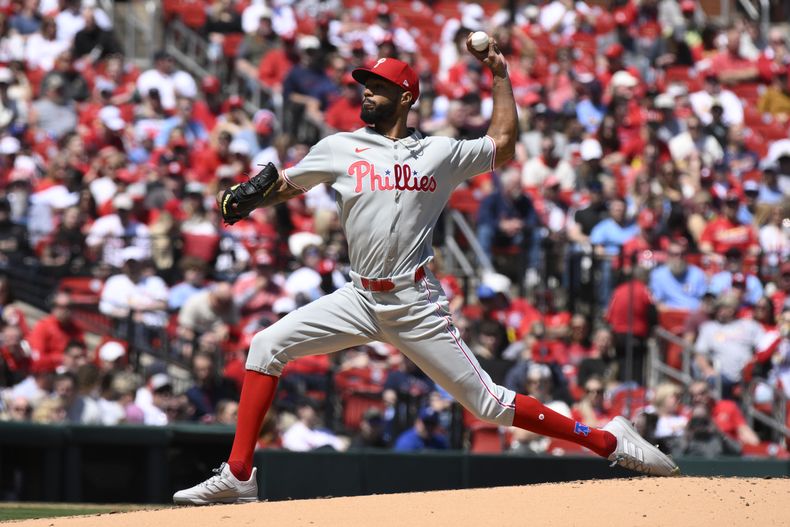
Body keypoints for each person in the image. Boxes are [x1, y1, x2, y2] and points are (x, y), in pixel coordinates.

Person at [174, 40, 678, 506]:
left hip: (414, 302)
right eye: (364, 86)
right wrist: (252, 199)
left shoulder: (439, 152)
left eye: (378, 87)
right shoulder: (339, 146)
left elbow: (502, 144)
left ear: (406, 96)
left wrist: (500, 74)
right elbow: (288, 184)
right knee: (265, 345)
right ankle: (239, 476)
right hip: (359, 297)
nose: (366, 93)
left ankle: (610, 441)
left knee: (488, 405)